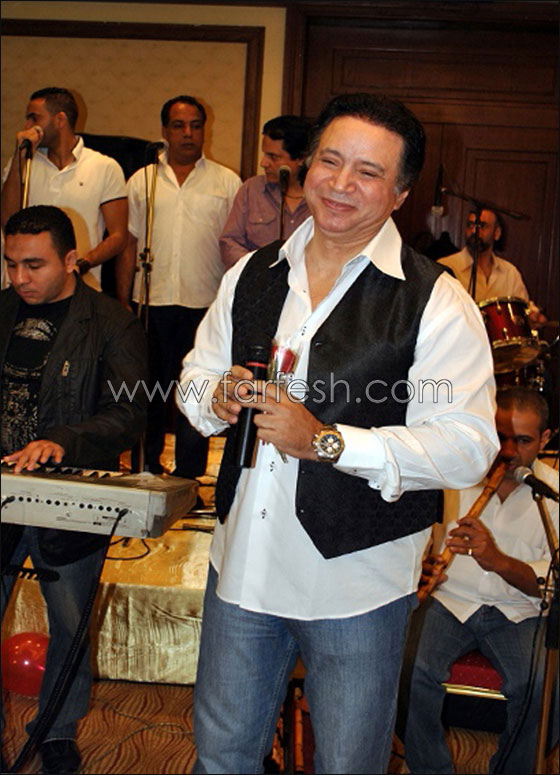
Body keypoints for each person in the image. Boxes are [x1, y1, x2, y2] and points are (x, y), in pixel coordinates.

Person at [176, 92, 499, 774]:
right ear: (307, 165)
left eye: (368, 171)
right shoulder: (251, 273)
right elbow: (193, 378)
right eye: (330, 160)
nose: (341, 183)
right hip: (242, 567)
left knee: (349, 764)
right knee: (221, 758)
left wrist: (328, 441)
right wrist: (217, 395)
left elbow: (468, 443)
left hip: (356, 583)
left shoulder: (435, 298)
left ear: (400, 193)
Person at [0, 206, 147, 775]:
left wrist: (62, 440)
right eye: (11, 264)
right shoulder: (1, 310)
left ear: (69, 260)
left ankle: (57, 731)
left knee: (68, 625)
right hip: (1, 491)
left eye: (34, 265)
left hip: (71, 496)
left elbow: (130, 414)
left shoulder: (111, 323)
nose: (20, 277)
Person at [404, 387, 558, 775]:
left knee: (542, 686)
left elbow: (553, 584)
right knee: (409, 671)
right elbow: (415, 542)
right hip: (449, 601)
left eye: (523, 440)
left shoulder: (554, 494)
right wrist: (420, 567)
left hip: (521, 612)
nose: (507, 451)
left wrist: (497, 561)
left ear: (545, 439)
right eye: (500, 436)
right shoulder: (451, 476)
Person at [116, 95, 241, 478]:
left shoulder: (227, 182)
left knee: (196, 391)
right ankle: (147, 465)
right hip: (151, 301)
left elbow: (233, 245)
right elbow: (129, 242)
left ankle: (189, 475)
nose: (188, 133)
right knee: (150, 390)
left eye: (196, 125)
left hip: (205, 305)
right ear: (164, 131)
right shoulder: (143, 180)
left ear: (205, 129)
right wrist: (123, 299)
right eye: (178, 125)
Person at [1, 86, 128, 292]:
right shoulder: (23, 162)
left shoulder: (104, 166)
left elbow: (118, 236)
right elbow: (8, 220)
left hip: (82, 286)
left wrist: (83, 263)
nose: (27, 126)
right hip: (28, 287)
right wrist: (20, 157)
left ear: (60, 120)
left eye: (34, 118)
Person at [219, 115, 311, 269]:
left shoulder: (322, 197)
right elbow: (229, 243)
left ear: (301, 158)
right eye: (264, 154)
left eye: (273, 157)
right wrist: (259, 268)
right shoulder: (251, 190)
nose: (263, 163)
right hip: (255, 277)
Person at [438, 208, 546, 324]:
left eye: (482, 226)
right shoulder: (446, 266)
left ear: (497, 233)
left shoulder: (510, 273)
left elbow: (523, 309)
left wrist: (533, 317)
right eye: (470, 225)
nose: (474, 231)